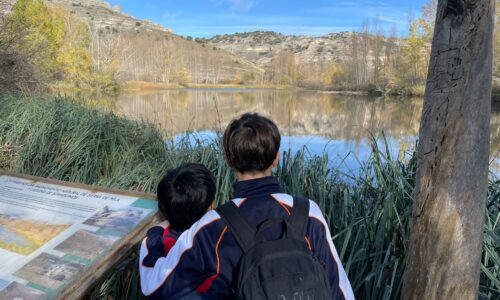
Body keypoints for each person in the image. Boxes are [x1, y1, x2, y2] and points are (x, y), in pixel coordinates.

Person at [139, 113, 355, 299]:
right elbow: (340, 290)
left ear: (228, 161)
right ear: (276, 158)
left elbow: (154, 285)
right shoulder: (308, 212)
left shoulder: (213, 226)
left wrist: (154, 235)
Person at [141, 163, 221, 299]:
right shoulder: (219, 241)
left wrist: (155, 231)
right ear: (210, 207)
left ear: (163, 210)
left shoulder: (160, 242)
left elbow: (150, 266)